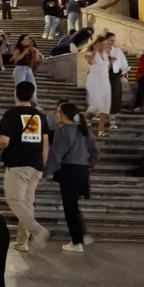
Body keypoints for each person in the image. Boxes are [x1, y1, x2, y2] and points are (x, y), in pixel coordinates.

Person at [0, 81, 50, 252]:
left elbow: (4, 141)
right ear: (32, 95)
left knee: (14, 200)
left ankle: (37, 230)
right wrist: (42, 165)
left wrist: (4, 147)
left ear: (16, 94)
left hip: (18, 163)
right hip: (36, 164)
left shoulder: (11, 115)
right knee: (27, 203)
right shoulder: (40, 116)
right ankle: (22, 241)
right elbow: (45, 144)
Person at [45, 103, 100, 253]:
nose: (56, 115)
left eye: (58, 112)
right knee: (74, 205)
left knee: (69, 207)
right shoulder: (84, 131)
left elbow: (56, 154)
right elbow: (95, 152)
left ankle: (77, 242)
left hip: (69, 170)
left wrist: (45, 172)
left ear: (64, 115)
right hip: (82, 170)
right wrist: (89, 164)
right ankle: (82, 234)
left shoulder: (63, 131)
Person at [84, 35, 111, 136]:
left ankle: (101, 130)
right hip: (94, 81)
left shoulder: (106, 54)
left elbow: (107, 67)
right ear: (97, 44)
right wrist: (95, 50)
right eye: (102, 44)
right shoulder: (89, 53)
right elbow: (90, 62)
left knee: (105, 105)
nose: (104, 46)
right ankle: (82, 120)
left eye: (105, 44)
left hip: (105, 81)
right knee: (95, 104)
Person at [107, 33, 129, 130]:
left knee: (115, 97)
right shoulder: (101, 50)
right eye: (110, 40)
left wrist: (124, 71)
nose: (112, 42)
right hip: (103, 75)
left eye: (113, 40)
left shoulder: (117, 51)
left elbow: (123, 62)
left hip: (115, 75)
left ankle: (112, 120)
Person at [11, 35, 39, 106]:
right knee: (19, 86)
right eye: (26, 40)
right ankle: (18, 103)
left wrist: (34, 51)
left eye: (28, 39)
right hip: (20, 68)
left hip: (28, 68)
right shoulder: (18, 49)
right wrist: (24, 52)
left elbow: (37, 60)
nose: (28, 41)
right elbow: (16, 59)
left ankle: (34, 103)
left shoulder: (32, 49)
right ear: (21, 41)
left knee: (33, 85)